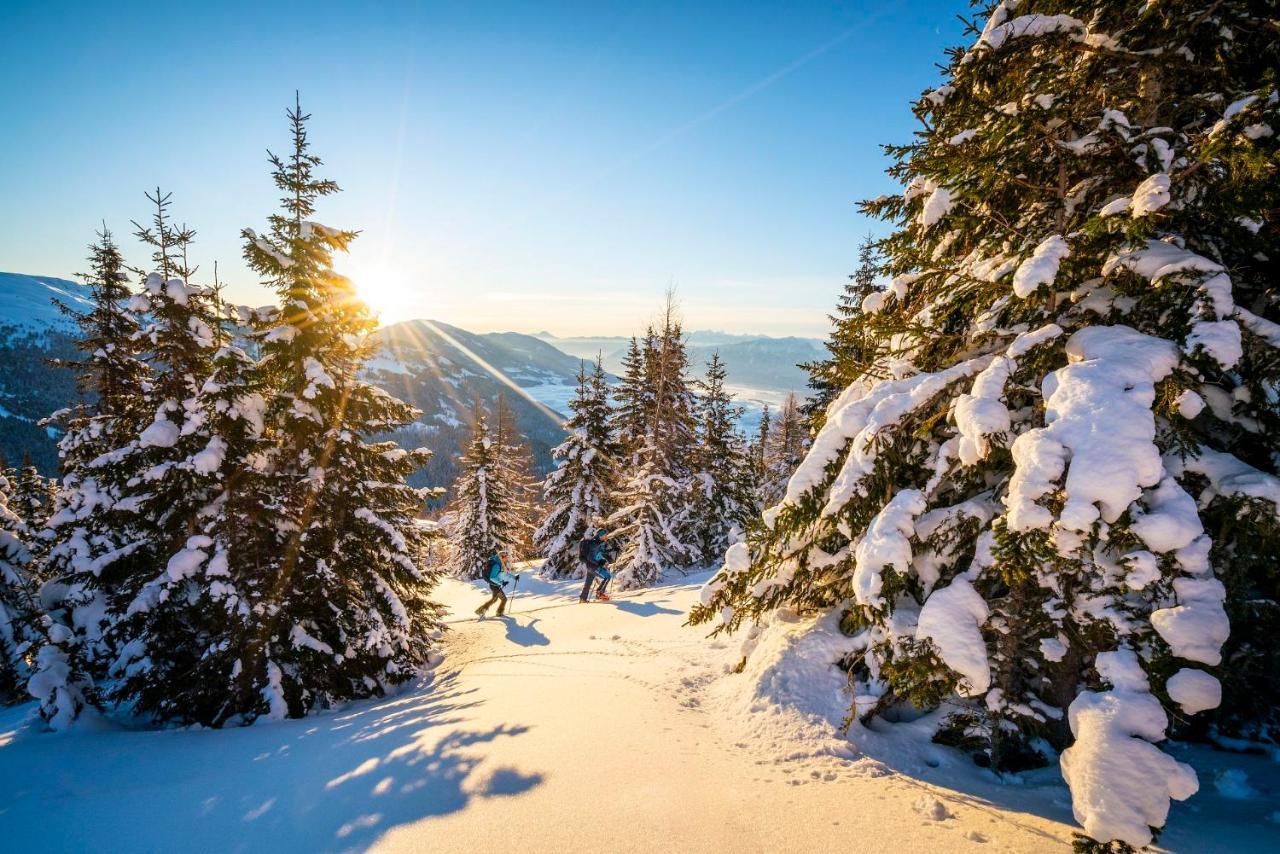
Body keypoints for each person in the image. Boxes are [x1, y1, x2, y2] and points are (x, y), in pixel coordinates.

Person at [476, 550, 517, 618]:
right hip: (495, 585)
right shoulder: (496, 565)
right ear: (501, 557)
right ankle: (498, 612)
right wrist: (501, 582)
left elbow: (503, 573)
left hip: (494, 585)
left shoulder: (498, 563)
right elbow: (492, 577)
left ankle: (481, 610)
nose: (506, 559)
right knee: (504, 599)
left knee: (494, 599)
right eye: (505, 557)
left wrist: (514, 577)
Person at [579, 528, 613, 603]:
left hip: (590, 566)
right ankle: (599, 594)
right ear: (600, 535)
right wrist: (599, 563)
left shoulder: (598, 543)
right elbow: (590, 557)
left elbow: (601, 553)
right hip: (593, 566)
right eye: (604, 535)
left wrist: (611, 551)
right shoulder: (595, 544)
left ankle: (583, 598)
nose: (606, 536)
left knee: (588, 583)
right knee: (607, 577)